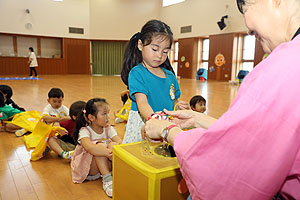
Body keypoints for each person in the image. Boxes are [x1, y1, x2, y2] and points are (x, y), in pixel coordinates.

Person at [144, 0, 300, 199]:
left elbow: (222, 164)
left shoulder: (283, 68)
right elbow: (253, 134)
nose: (249, 28)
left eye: (245, 8)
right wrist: (196, 118)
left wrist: (167, 130)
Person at [121, 19, 189, 144]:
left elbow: (173, 101)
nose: (159, 55)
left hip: (165, 126)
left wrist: (179, 108)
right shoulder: (137, 73)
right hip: (145, 125)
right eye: (154, 49)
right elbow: (142, 103)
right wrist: (155, 122)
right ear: (140, 45)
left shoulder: (170, 76)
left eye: (165, 52)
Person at [71, 98, 122, 198]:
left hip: (105, 163)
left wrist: (113, 150)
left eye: (108, 113)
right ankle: (107, 180)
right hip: (90, 168)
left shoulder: (108, 128)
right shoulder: (85, 131)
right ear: (91, 117)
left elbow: (120, 141)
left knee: (114, 145)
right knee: (99, 147)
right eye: (104, 114)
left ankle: (113, 173)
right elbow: (89, 148)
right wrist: (107, 152)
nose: (108, 117)